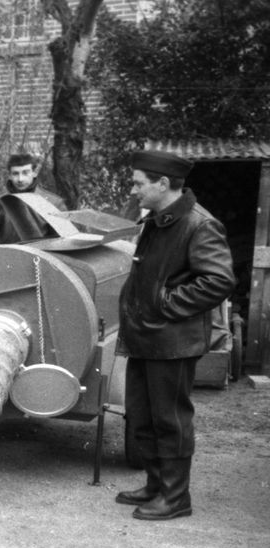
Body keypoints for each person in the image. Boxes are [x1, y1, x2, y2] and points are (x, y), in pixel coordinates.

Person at [115, 149, 235, 520]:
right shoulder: (159, 219)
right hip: (147, 337)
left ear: (163, 183)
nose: (133, 190)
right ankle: (156, 484)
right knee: (143, 415)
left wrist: (165, 303)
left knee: (170, 419)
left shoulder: (199, 225)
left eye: (138, 183)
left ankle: (175, 496)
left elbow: (219, 281)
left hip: (172, 341)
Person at [0, 151, 68, 243]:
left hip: (40, 255)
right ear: (9, 175)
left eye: (25, 173)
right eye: (15, 173)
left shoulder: (54, 203)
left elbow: (63, 241)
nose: (20, 179)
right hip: (7, 255)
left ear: (34, 172)